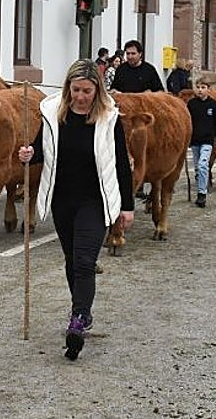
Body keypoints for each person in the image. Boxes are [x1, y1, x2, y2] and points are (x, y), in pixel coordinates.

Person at [17, 59, 133, 361]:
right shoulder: (54, 116)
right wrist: (28, 153)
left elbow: (121, 162)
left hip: (95, 200)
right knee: (71, 259)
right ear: (68, 87)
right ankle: (80, 308)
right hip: (62, 198)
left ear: (98, 90)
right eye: (76, 89)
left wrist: (128, 206)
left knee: (84, 259)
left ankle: (79, 319)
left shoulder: (109, 119)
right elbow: (41, 148)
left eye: (87, 91)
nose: (81, 96)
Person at [186, 75, 216, 208]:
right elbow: (187, 122)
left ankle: (202, 193)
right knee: (197, 168)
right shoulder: (191, 104)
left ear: (208, 89)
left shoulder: (213, 105)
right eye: (198, 87)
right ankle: (200, 186)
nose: (200, 90)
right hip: (195, 140)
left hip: (207, 140)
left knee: (202, 165)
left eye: (203, 88)